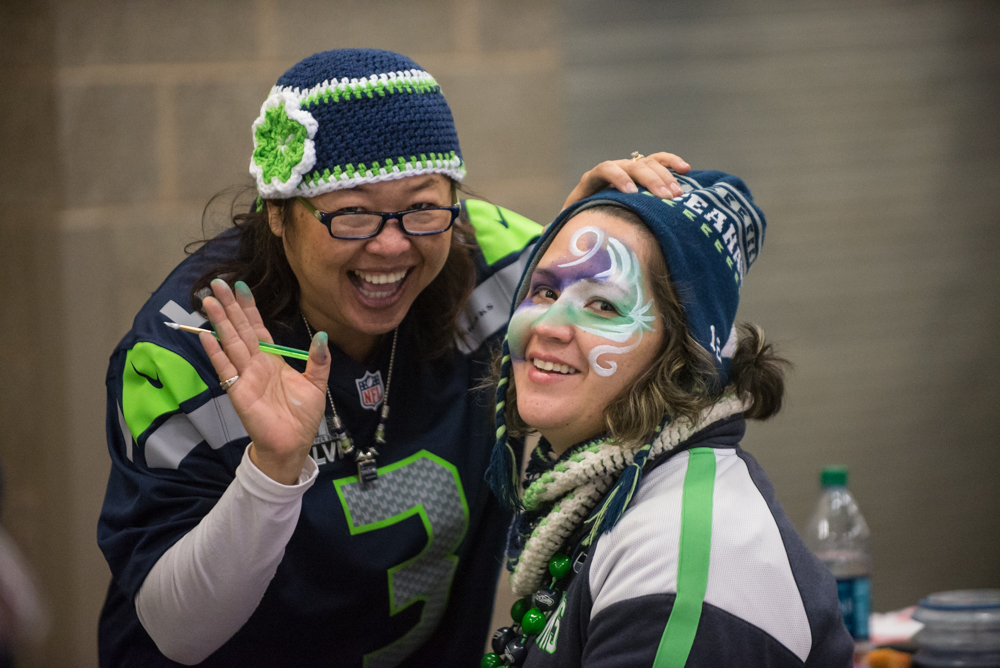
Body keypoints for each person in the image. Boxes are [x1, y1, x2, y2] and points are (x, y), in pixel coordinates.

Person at [96, 48, 689, 667]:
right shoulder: (181, 351)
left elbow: (684, 344)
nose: (392, 244)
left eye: (422, 206)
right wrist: (270, 471)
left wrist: (617, 236)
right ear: (277, 212)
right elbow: (177, 631)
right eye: (352, 212)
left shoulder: (494, 259)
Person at [483, 171, 855, 667]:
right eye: (546, 292)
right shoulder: (611, 487)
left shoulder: (678, 564)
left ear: (682, 354)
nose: (548, 326)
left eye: (603, 304)